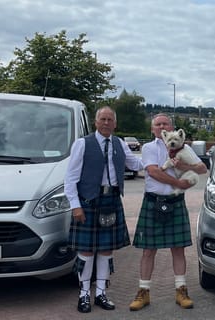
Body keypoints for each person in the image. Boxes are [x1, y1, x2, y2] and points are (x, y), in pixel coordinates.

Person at [64, 106, 144, 313]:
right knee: (86, 250)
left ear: (115, 124)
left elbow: (136, 164)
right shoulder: (82, 144)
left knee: (106, 250)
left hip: (111, 200)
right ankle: (83, 294)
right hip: (88, 202)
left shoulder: (120, 143)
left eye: (110, 119)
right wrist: (75, 206)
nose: (106, 123)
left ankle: (100, 293)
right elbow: (70, 178)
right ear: (96, 122)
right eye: (103, 119)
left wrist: (161, 159)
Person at [128, 114, 208, 311]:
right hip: (153, 201)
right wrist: (178, 183)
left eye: (165, 123)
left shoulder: (184, 147)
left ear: (171, 127)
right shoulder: (149, 148)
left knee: (178, 248)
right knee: (148, 250)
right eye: (158, 124)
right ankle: (143, 292)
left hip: (175, 201)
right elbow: (154, 171)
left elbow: (202, 168)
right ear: (153, 129)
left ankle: (181, 291)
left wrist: (183, 166)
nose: (161, 126)